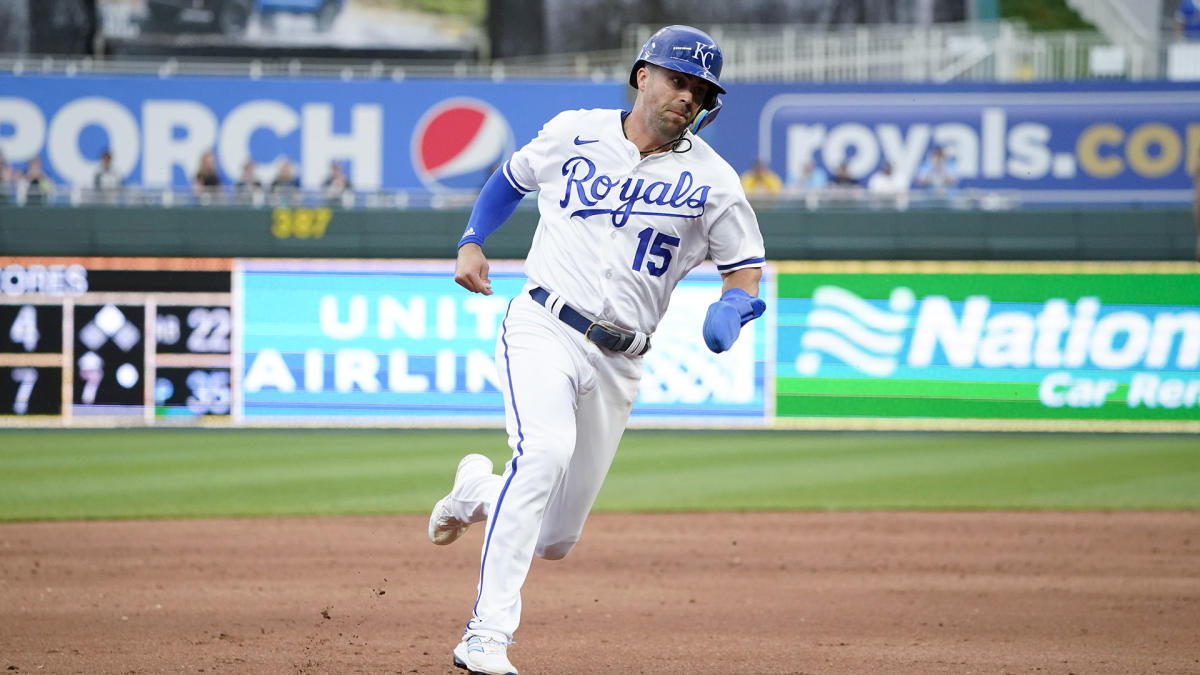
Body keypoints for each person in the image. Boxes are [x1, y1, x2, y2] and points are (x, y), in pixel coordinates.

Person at [432, 24, 766, 675]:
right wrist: (472, 238)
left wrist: (735, 305)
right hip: (544, 323)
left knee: (556, 538)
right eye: (678, 80)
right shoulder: (573, 132)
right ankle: (485, 634)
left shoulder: (714, 179)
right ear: (644, 75)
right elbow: (509, 180)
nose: (687, 97)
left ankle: (476, 489)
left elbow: (744, 265)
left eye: (700, 91)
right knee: (545, 450)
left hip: (620, 359)